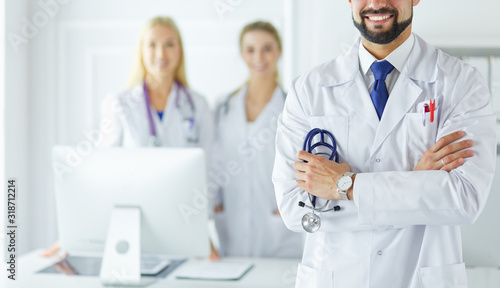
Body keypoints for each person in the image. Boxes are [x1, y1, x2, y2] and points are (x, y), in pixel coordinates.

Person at [273, 1, 496, 287]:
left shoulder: (461, 83)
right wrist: (418, 184)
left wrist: (346, 186)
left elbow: (464, 199)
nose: (377, 3)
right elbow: (296, 210)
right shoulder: (308, 90)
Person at [42, 16, 214, 258]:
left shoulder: (199, 105)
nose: (160, 53)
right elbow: (102, 170)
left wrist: (203, 233)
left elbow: (208, 172)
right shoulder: (119, 105)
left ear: (180, 50)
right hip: (134, 225)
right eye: (152, 44)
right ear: (141, 51)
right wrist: (75, 233)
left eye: (169, 44)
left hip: (183, 223)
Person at [211, 21, 303, 258]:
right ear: (242, 54)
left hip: (278, 223)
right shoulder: (223, 107)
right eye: (250, 49)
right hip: (231, 222)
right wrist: (215, 205)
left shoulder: (293, 106)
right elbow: (213, 163)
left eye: (267, 48)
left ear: (278, 51)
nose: (258, 57)